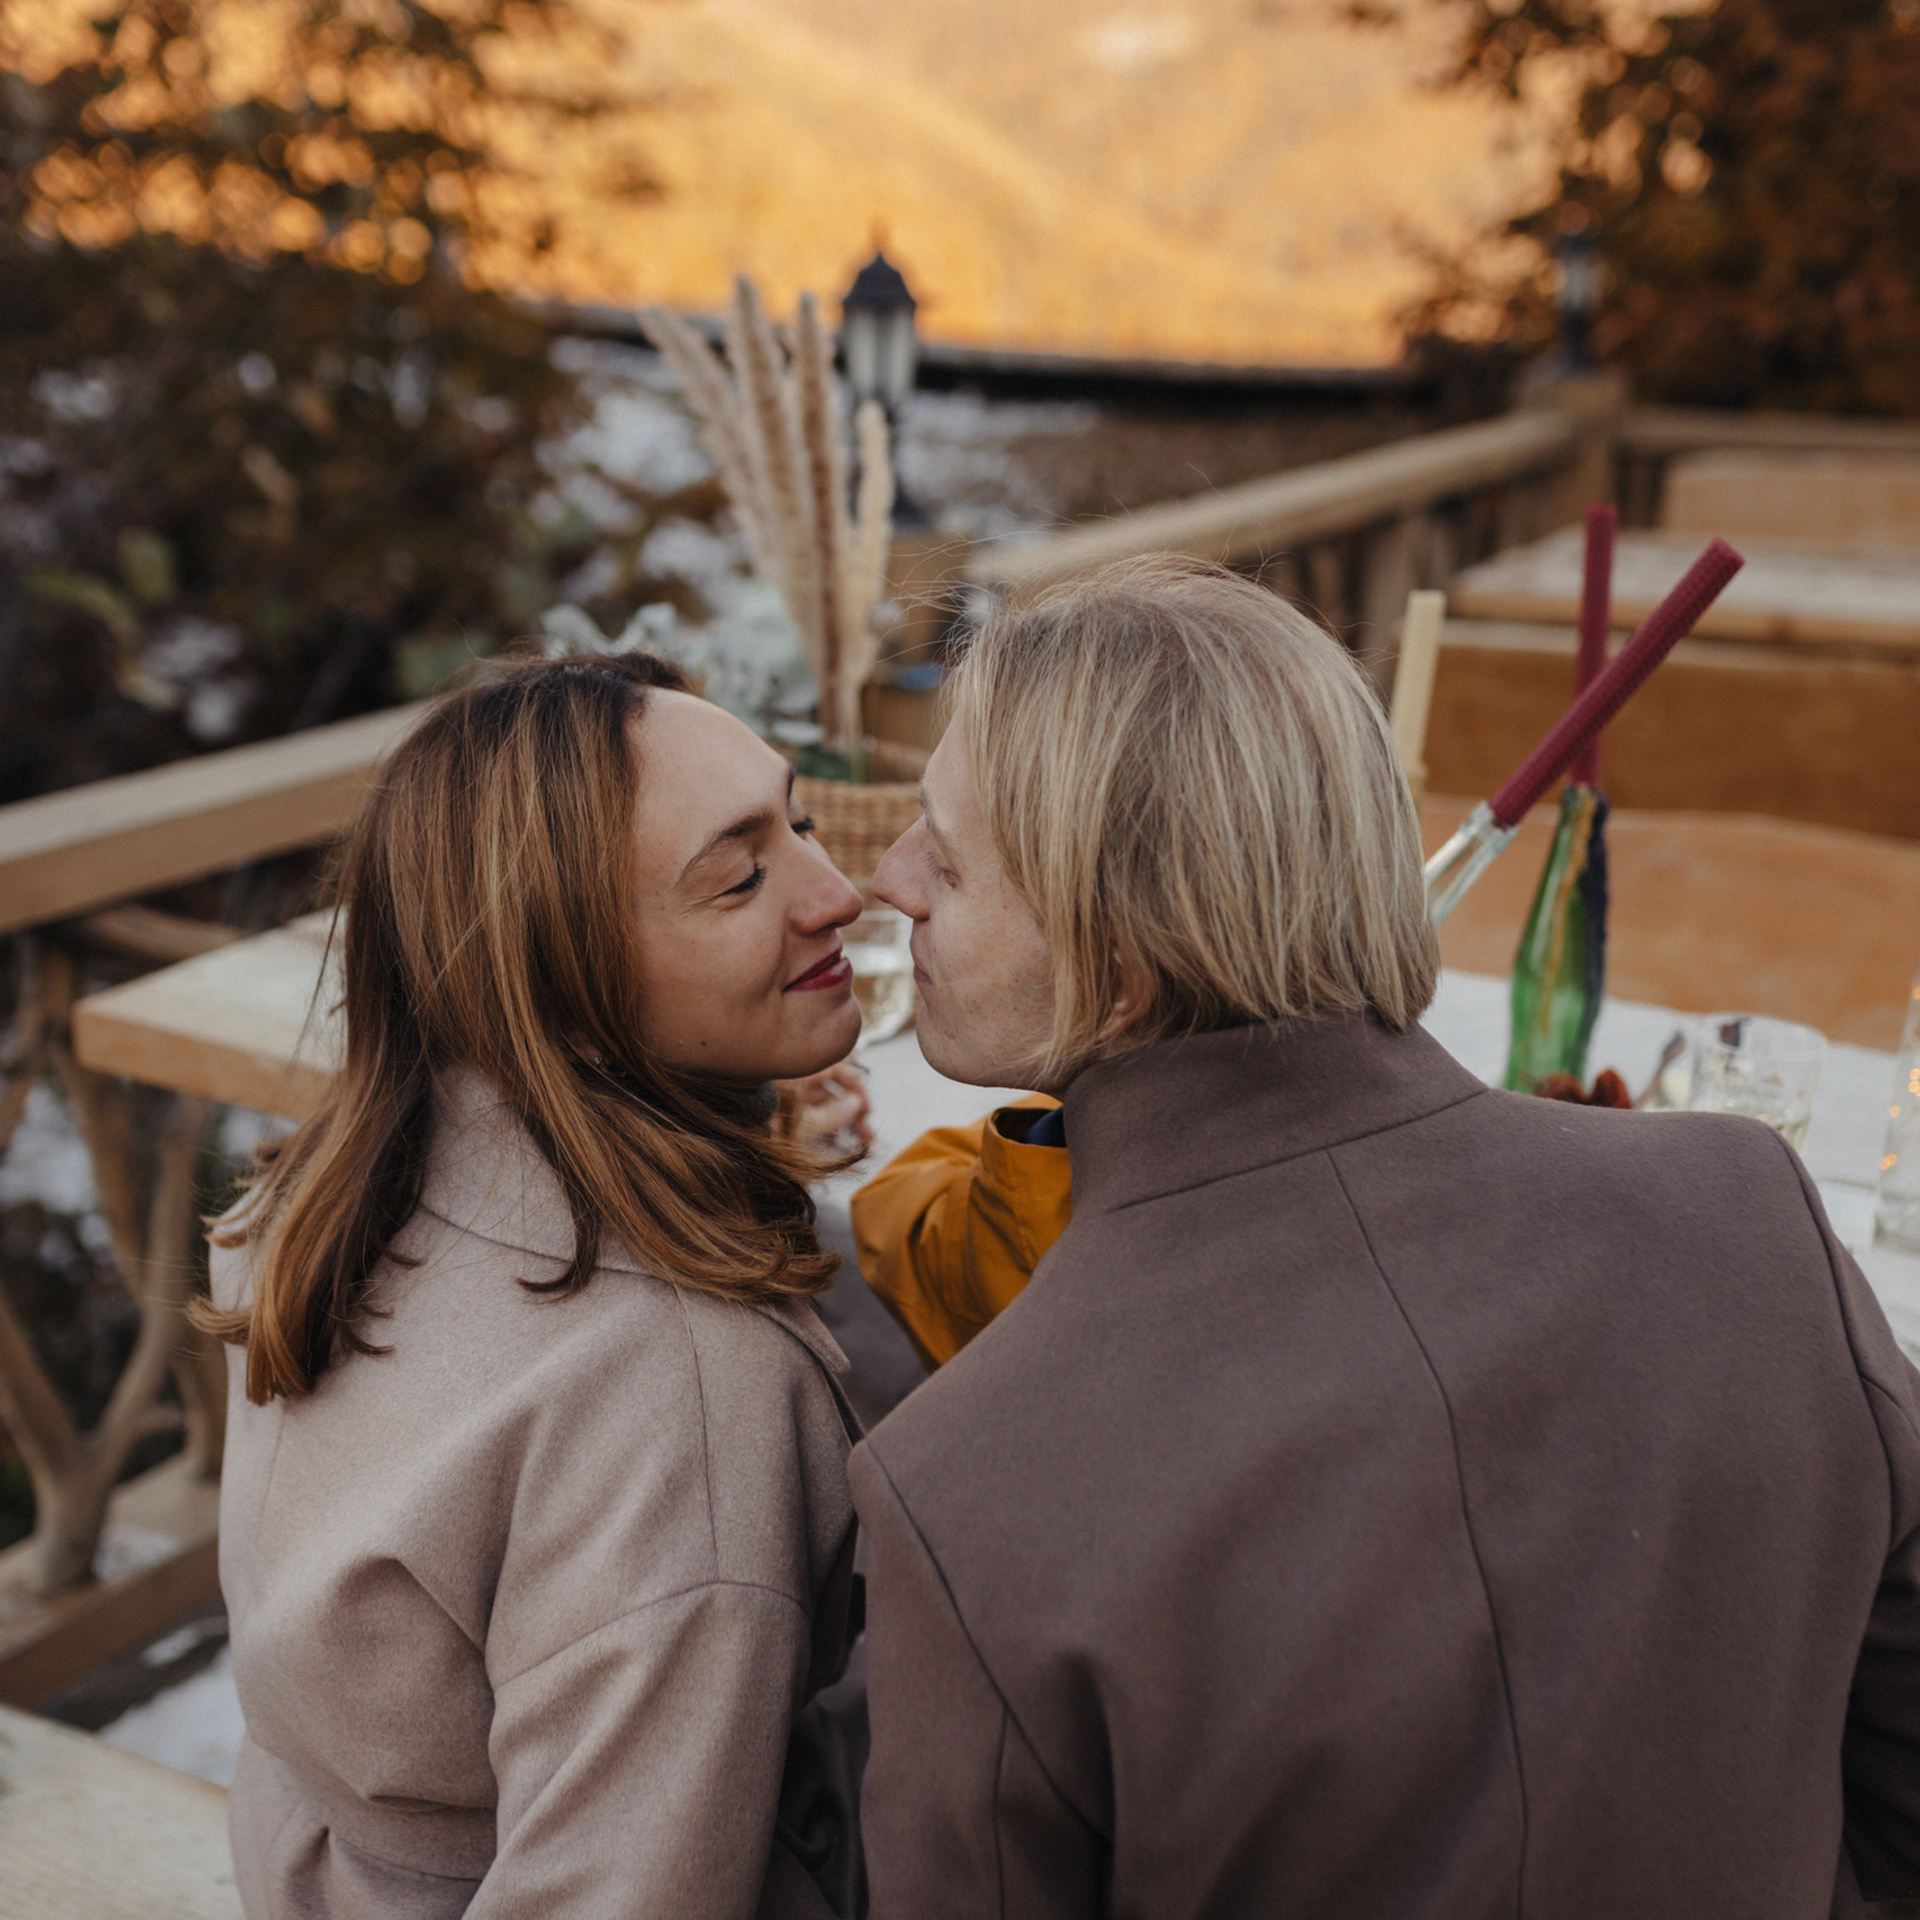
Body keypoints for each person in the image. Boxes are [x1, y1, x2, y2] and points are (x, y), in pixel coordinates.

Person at [850, 556, 1920, 1918]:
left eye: (941, 851)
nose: (886, 879)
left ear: (1120, 959)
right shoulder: (1745, 1212)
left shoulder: (968, 1488)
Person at [203, 653, 872, 1919]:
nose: (839, 891)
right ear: (567, 997)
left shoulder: (329, 1195)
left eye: (802, 819)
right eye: (739, 875)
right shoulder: (684, 1391)